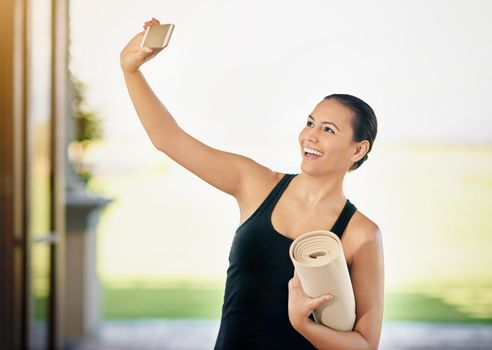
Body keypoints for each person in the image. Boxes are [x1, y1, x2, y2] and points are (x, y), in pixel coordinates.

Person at [120, 17, 384, 350]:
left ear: (358, 149)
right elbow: (168, 139)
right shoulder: (256, 184)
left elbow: (364, 345)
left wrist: (302, 324)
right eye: (310, 123)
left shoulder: (361, 234)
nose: (310, 136)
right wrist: (131, 71)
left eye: (328, 130)